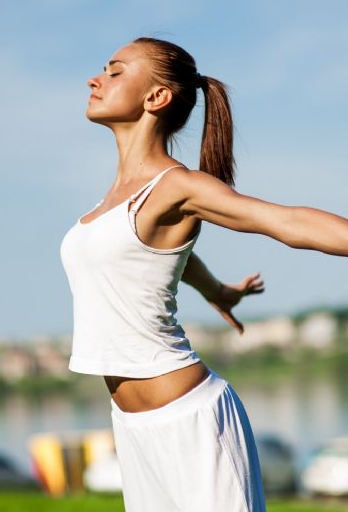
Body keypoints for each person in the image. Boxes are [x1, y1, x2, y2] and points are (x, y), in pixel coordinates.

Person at [60, 37, 348, 512]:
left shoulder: (177, 185)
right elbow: (161, 258)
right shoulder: (110, 203)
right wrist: (218, 291)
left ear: (157, 97)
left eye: (114, 72)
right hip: (134, 429)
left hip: (193, 426)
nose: (95, 79)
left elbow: (288, 222)